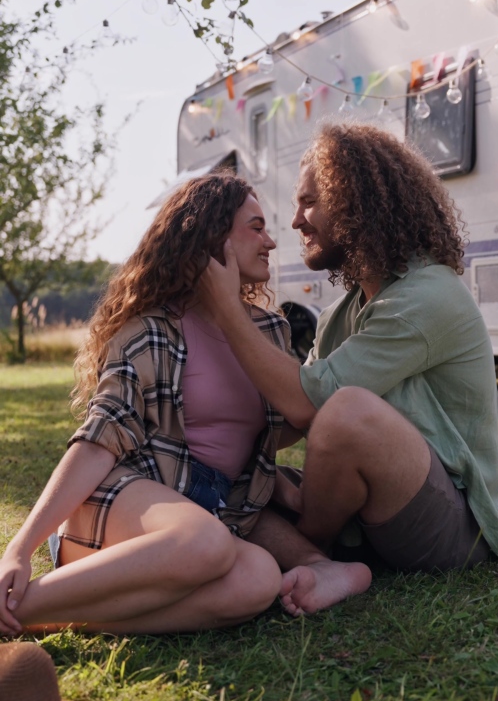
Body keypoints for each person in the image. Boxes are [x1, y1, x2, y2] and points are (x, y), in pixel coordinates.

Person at [200, 120, 498, 616]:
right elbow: (286, 421)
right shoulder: (339, 315)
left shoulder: (429, 296)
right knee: (239, 484)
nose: (297, 222)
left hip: (454, 532)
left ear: (355, 203)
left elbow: (310, 402)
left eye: (309, 202)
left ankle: (310, 549)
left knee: (347, 411)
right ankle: (314, 557)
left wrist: (226, 310)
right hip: (380, 518)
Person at [0, 172, 289, 637]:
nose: (271, 241)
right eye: (256, 227)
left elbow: (291, 416)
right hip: (129, 499)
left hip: (207, 512)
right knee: (204, 541)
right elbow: (99, 439)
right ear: (215, 238)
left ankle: (42, 616)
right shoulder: (152, 329)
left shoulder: (271, 332)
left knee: (259, 579)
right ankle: (18, 605)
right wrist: (20, 546)